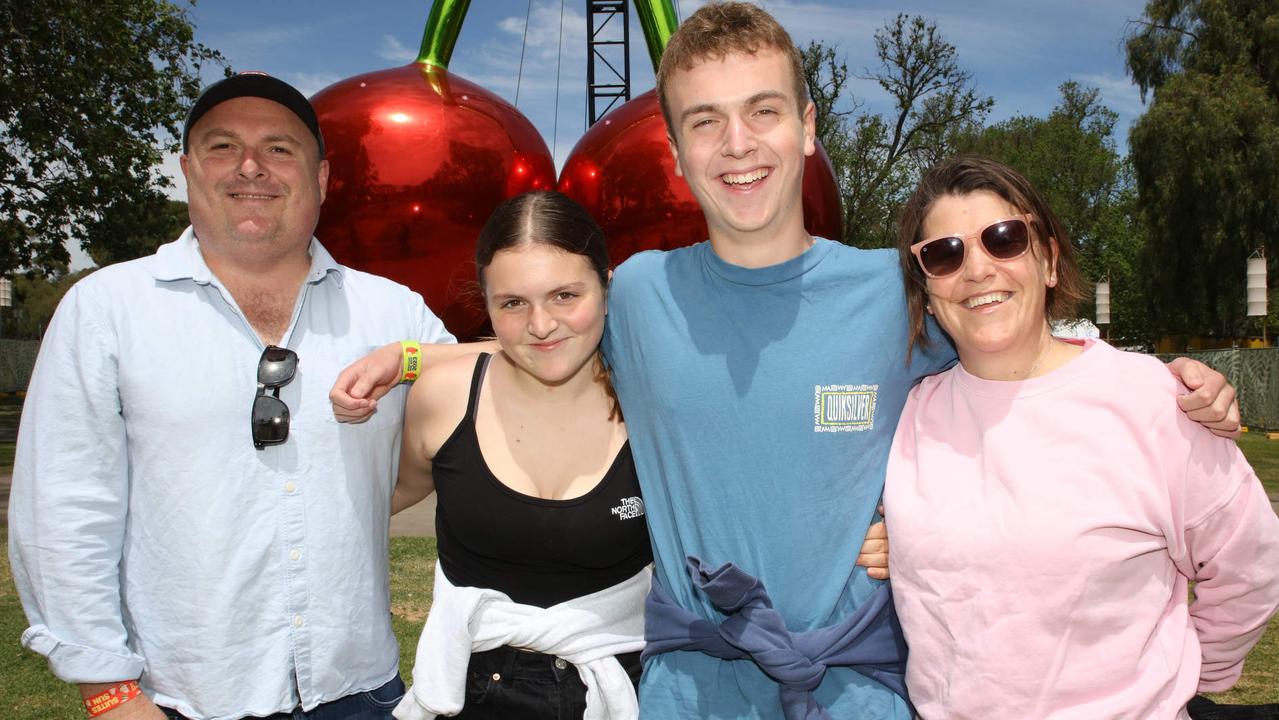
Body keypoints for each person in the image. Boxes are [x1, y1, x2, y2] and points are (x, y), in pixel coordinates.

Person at [330, 3, 1238, 718]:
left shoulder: (896, 292)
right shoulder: (643, 295)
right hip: (689, 690)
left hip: (859, 688)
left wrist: (1161, 384)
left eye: (762, 112)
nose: (737, 145)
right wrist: (409, 356)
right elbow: (540, 328)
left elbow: (1016, 348)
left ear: (806, 126)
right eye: (704, 122)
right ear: (677, 153)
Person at [7, 72, 464, 720]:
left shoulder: (390, 310)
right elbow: (64, 511)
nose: (252, 167)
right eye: (224, 147)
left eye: (280, 148)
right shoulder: (108, 309)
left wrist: (408, 357)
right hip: (179, 699)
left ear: (323, 177)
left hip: (361, 690)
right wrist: (108, 692)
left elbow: (500, 374)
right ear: (188, 169)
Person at [885, 155, 1279, 719]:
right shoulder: (914, 414)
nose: (976, 270)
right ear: (926, 287)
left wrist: (1181, 685)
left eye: (1004, 239)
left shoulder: (1151, 402)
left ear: (1047, 259)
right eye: (944, 253)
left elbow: (1251, 566)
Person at [390, 191, 652, 720]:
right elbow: (372, 501)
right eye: (513, 303)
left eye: (564, 296)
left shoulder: (656, 404)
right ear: (485, 304)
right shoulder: (442, 399)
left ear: (606, 287)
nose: (540, 325)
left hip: (625, 691)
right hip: (468, 694)